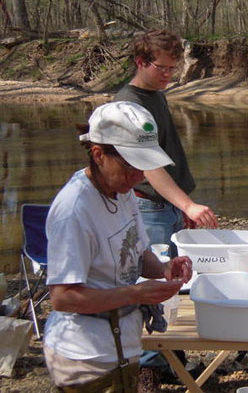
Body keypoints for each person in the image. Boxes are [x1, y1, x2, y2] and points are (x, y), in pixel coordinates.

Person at [43, 101, 193, 392]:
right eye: (132, 166)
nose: (139, 177)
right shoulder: (74, 210)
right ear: (98, 155)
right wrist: (135, 293)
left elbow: (136, 253)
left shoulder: (123, 191)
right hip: (83, 355)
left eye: (146, 166)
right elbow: (63, 298)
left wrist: (163, 268)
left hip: (122, 344)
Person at [113, 29, 216, 388]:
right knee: (151, 284)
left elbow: (170, 158)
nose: (170, 75)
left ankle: (170, 356)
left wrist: (184, 202)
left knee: (173, 284)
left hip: (168, 207)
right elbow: (149, 168)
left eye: (175, 68)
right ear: (141, 62)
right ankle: (148, 368)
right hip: (149, 209)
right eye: (163, 68)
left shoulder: (156, 94)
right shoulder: (128, 105)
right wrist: (187, 203)